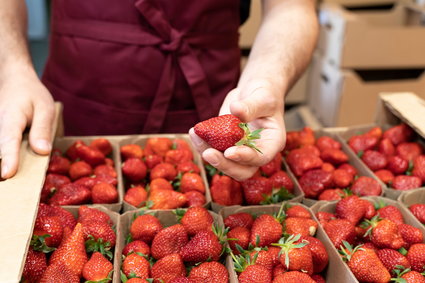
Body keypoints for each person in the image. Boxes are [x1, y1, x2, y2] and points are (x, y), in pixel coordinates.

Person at [0, 0, 318, 181]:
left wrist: (266, 81)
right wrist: (12, 68)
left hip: (219, 105)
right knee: (74, 181)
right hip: (77, 100)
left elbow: (291, 8)